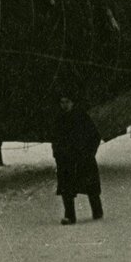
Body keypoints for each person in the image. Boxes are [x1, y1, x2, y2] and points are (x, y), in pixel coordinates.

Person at [51, 93, 103, 224]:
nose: (64, 105)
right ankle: (70, 216)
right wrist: (57, 153)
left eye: (67, 102)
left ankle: (97, 211)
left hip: (83, 157)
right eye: (62, 102)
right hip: (65, 159)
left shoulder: (82, 117)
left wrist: (89, 153)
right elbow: (55, 138)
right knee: (66, 187)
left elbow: (95, 136)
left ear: (73, 102)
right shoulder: (59, 119)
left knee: (90, 186)